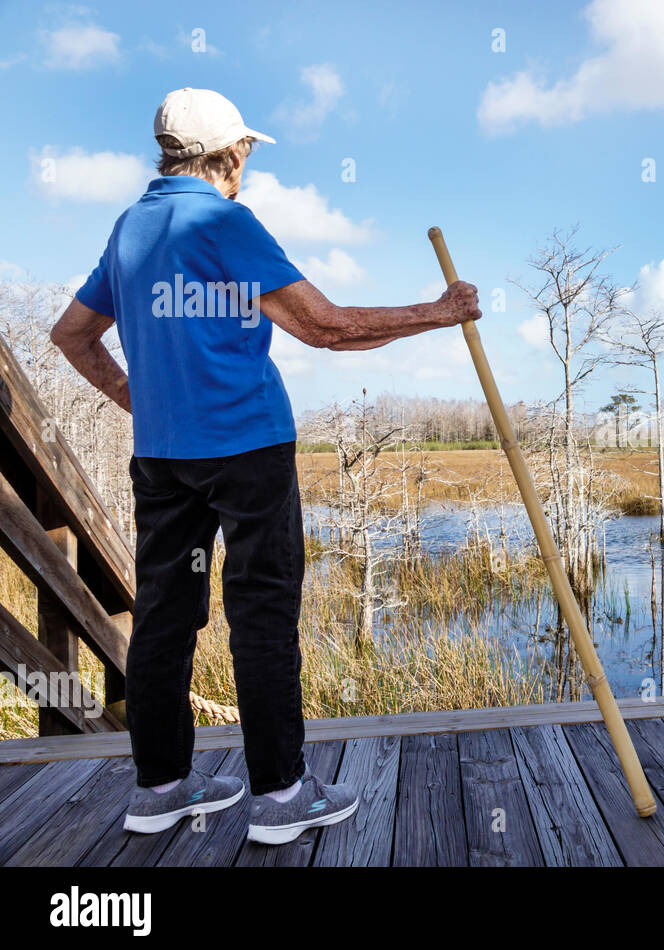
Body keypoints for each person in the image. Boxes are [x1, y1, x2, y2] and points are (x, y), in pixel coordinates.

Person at [50, 87, 481, 845]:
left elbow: (73, 337)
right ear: (230, 153)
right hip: (247, 453)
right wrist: (439, 312)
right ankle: (281, 797)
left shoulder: (132, 226)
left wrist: (141, 400)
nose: (246, 162)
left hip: (162, 460)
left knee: (164, 613)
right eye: (244, 151)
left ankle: (161, 789)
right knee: (262, 614)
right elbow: (328, 328)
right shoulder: (221, 220)